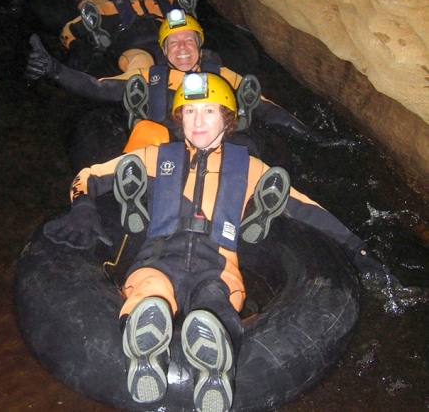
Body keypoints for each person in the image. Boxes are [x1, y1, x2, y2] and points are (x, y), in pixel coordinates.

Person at [44, 73, 391, 411]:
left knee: (214, 304)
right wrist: (84, 207)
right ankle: (146, 354)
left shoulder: (250, 168)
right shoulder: (156, 156)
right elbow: (88, 175)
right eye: (190, 112)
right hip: (157, 259)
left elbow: (308, 210)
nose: (198, 121)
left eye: (209, 111)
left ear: (227, 119)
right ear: (180, 119)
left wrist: (357, 249)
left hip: (218, 267)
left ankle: (214, 368)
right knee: (150, 292)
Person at [26, 10, 354, 149]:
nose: (182, 48)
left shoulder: (221, 76)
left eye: (189, 42)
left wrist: (314, 138)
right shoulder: (150, 76)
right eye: (174, 43)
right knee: (146, 130)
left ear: (199, 46)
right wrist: (54, 69)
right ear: (164, 51)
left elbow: (268, 108)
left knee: (245, 143)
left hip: (214, 144)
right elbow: (98, 88)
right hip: (165, 146)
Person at [58, 0, 211, 72]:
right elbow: (68, 31)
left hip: (176, 53)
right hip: (134, 60)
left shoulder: (168, 3)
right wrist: (77, 47)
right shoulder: (108, 8)